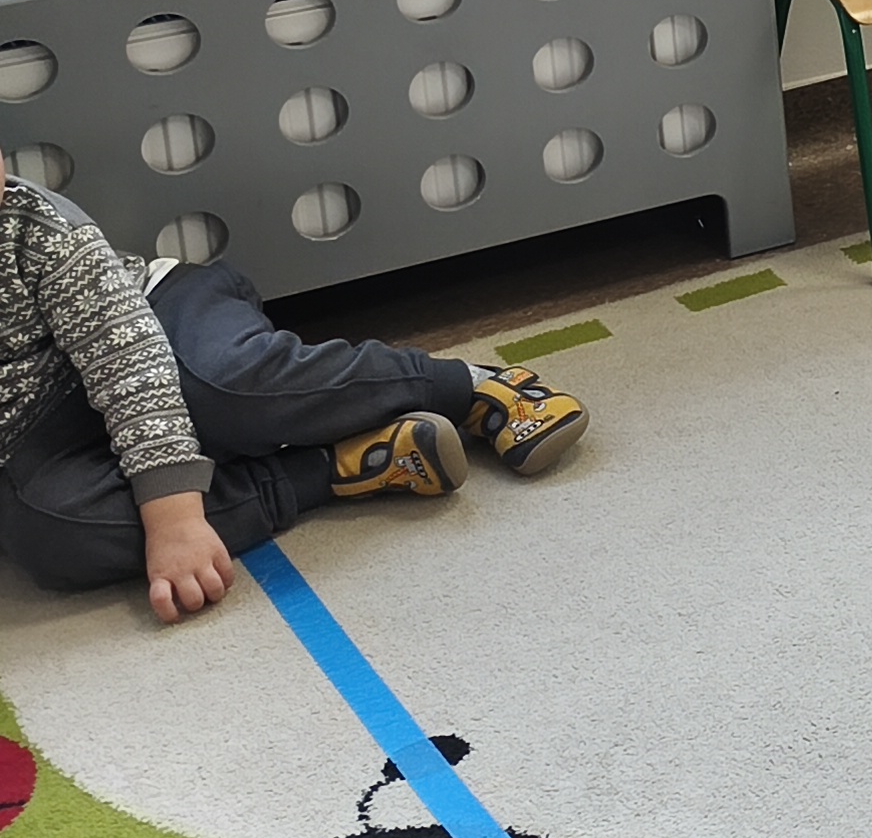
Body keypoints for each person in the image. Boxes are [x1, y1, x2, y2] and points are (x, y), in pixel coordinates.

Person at [1, 178, 587, 616]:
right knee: (51, 532)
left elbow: (128, 363)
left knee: (230, 389)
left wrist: (174, 517)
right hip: (39, 431)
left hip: (159, 322)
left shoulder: (34, 227)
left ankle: (468, 387)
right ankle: (340, 467)